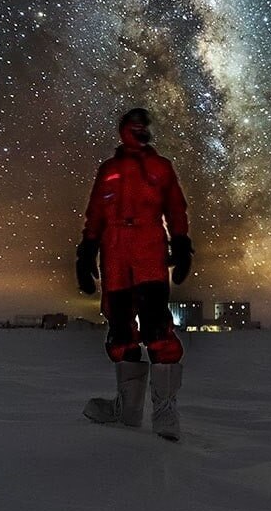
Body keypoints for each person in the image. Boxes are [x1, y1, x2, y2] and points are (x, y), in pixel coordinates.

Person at [75, 107, 193, 441]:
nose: (139, 130)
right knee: (120, 330)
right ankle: (127, 410)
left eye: (144, 126)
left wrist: (182, 244)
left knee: (157, 327)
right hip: (114, 255)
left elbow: (176, 208)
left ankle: (165, 410)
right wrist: (86, 252)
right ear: (124, 129)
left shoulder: (160, 168)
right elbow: (95, 214)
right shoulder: (108, 170)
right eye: (133, 125)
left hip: (149, 251)